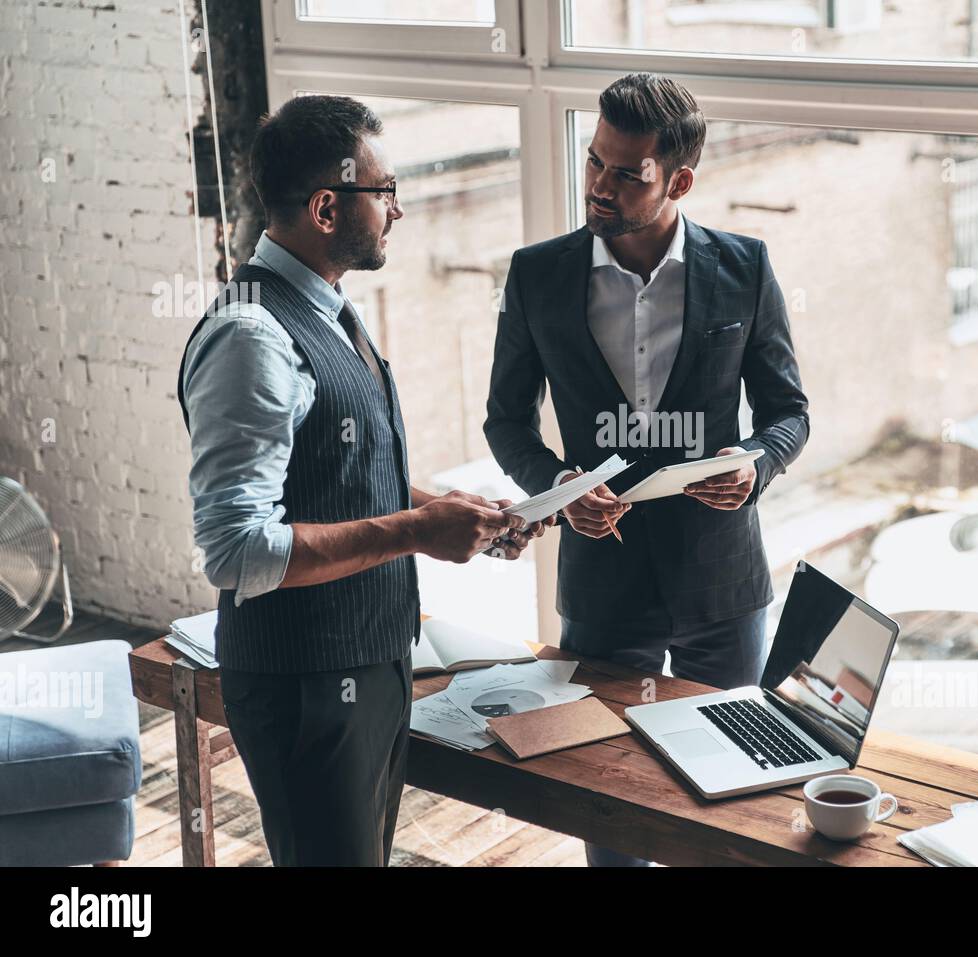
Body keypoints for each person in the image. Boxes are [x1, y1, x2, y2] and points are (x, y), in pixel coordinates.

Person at [179, 94, 547, 866]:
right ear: (324, 206)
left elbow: (344, 471)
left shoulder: (329, 306)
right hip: (305, 686)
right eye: (384, 192)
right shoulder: (252, 335)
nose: (399, 210)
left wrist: (452, 511)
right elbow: (237, 550)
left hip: (367, 666)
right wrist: (417, 531)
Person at [484, 73, 809, 866]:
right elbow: (505, 420)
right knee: (607, 799)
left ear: (680, 179)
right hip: (602, 581)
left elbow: (789, 412)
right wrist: (563, 493)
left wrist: (757, 462)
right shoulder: (538, 273)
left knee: (732, 799)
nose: (601, 184)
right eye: (596, 161)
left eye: (628, 173)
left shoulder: (746, 267)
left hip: (722, 581)